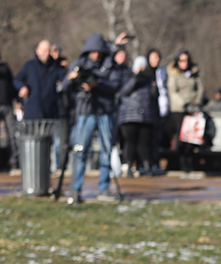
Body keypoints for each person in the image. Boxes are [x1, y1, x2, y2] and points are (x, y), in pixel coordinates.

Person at [62, 32, 126, 203]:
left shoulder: (110, 64)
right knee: (80, 150)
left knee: (106, 150)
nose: (96, 54)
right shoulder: (80, 64)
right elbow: (64, 86)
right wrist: (71, 79)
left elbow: (116, 85)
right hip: (85, 111)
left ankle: (104, 188)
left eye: (98, 51)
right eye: (93, 51)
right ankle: (75, 189)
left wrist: (98, 85)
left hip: (105, 110)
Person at [14, 39, 67, 171]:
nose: (46, 53)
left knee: (47, 144)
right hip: (32, 112)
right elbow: (17, 79)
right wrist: (22, 87)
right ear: (37, 51)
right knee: (32, 143)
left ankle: (45, 172)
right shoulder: (29, 66)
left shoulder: (55, 67)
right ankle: (30, 170)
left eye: (48, 50)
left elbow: (65, 83)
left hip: (49, 113)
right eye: (44, 50)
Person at [116, 54, 159, 177]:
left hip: (146, 116)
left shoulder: (149, 79)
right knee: (130, 142)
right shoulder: (128, 76)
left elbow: (154, 95)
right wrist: (136, 78)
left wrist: (153, 83)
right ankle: (129, 166)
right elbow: (123, 92)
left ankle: (146, 167)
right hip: (130, 116)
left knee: (144, 143)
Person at [166, 50, 203, 169]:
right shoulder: (174, 74)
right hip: (179, 109)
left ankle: (191, 164)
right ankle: (181, 165)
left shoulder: (194, 73)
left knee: (192, 138)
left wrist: (196, 103)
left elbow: (200, 88)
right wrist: (184, 104)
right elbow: (173, 91)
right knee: (181, 138)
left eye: (186, 60)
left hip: (193, 109)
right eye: (182, 60)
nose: (185, 62)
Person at [148, 49, 168, 175]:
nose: (156, 60)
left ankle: (155, 163)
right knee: (146, 140)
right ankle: (146, 164)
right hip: (146, 110)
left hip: (159, 110)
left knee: (156, 140)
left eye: (158, 57)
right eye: (153, 57)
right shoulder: (145, 73)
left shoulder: (162, 73)